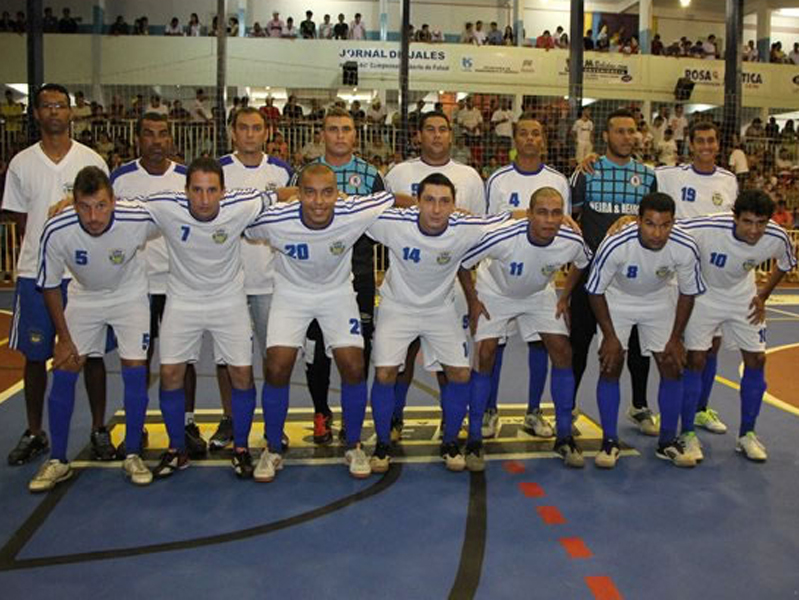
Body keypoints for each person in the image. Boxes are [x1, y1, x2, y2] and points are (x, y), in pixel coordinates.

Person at [245, 164, 400, 481]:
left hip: (337, 294)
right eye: (310, 192)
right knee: (276, 365)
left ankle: (354, 444)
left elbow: (393, 200)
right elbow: (243, 221)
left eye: (327, 192)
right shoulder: (276, 219)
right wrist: (277, 194)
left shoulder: (352, 210)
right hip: (291, 295)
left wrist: (450, 210)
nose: (319, 201)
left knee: (354, 365)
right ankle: (272, 447)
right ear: (298, 193)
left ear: (338, 194)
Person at [367, 174, 510, 472]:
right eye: (429, 200)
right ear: (418, 201)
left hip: (440, 309)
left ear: (454, 205)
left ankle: (449, 443)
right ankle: (381, 444)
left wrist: (562, 217)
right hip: (397, 307)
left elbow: (512, 220)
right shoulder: (395, 224)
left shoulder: (465, 228)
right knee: (384, 374)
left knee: (459, 374)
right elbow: (347, 212)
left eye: (444, 202)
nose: (436, 209)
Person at [3, 84, 112, 466]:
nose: (54, 112)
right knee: (36, 357)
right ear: (35, 113)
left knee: (92, 355)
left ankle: (99, 429)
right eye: (46, 106)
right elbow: (22, 220)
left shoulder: (91, 159)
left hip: (83, 273)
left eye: (60, 106)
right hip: (36, 272)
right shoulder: (22, 163)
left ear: (71, 113)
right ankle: (35, 432)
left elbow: (104, 213)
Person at [29, 168, 156, 491]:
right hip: (84, 297)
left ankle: (131, 453)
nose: (93, 216)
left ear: (114, 201)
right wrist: (64, 339)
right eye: (84, 207)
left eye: (100, 205)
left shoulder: (136, 217)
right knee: (66, 368)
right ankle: (58, 459)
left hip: (129, 295)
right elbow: (49, 285)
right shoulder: (58, 227)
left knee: (134, 369)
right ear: (73, 204)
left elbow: (180, 208)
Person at [143, 158, 267, 480]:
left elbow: (279, 194)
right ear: (185, 191)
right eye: (196, 190)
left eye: (212, 190)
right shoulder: (164, 206)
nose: (204, 198)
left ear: (223, 191)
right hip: (182, 300)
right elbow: (118, 207)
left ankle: (240, 448)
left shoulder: (242, 204)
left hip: (228, 300)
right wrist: (66, 203)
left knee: (241, 374)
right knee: (170, 373)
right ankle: (176, 450)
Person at [462, 187, 592, 468]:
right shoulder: (504, 237)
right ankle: (473, 440)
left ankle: (565, 435)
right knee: (485, 354)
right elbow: (463, 263)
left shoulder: (571, 240)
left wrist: (565, 297)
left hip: (538, 294)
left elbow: (582, 263)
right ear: (529, 214)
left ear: (563, 216)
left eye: (556, 213)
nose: (549, 219)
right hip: (495, 292)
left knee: (562, 351)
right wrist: (473, 301)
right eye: (542, 212)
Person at [385, 111, 486, 437]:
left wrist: (472, 296)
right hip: (407, 284)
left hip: (451, 287)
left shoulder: (469, 176)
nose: (437, 135)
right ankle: (394, 418)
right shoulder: (400, 172)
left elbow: (475, 235)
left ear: (451, 135)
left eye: (443, 129)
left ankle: (451, 423)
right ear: (418, 135)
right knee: (402, 358)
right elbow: (384, 212)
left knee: (450, 362)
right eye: (430, 129)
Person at [586, 193, 705, 468]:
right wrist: (611, 337)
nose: (657, 233)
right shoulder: (615, 243)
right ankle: (610, 441)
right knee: (610, 364)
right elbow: (594, 291)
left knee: (672, 365)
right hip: (616, 299)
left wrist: (676, 338)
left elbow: (688, 294)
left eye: (665, 225)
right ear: (638, 221)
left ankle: (666, 442)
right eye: (650, 224)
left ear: (673, 223)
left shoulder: (685, 247)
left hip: (658, 299)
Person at [290, 108, 385, 445]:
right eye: (333, 129)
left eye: (346, 129)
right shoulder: (305, 175)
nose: (340, 135)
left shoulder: (371, 175)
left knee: (356, 353)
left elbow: (381, 225)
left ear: (355, 134)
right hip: (312, 279)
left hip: (356, 278)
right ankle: (321, 413)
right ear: (322, 134)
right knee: (315, 349)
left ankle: (351, 418)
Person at [111, 113, 204, 457]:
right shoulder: (121, 179)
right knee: (140, 359)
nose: (156, 141)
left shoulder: (185, 177)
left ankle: (187, 424)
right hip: (138, 284)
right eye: (149, 134)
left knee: (184, 358)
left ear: (170, 139)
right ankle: (139, 424)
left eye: (162, 134)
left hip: (180, 282)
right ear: (138, 138)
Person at [679, 191, 797, 462]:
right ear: (734, 217)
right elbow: (668, 228)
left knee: (757, 359)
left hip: (743, 296)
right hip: (704, 295)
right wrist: (626, 220)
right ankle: (687, 433)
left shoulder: (776, 236)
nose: (754, 230)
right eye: (747, 222)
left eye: (761, 223)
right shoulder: (707, 227)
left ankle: (747, 434)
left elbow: (787, 261)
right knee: (696, 359)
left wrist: (763, 295)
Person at [570, 108, 659, 436]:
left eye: (631, 131)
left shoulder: (648, 176)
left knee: (637, 345)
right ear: (605, 136)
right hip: (591, 275)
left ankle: (639, 405)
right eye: (619, 131)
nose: (626, 137)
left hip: (633, 279)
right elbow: (572, 218)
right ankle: (569, 406)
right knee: (579, 343)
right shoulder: (586, 172)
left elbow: (655, 225)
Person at [482, 116, 572, 437]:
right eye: (524, 134)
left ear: (543, 140)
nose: (530, 139)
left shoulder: (558, 180)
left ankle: (533, 412)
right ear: (515, 140)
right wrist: (519, 216)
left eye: (536, 133)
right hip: (500, 279)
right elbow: (488, 227)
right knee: (495, 346)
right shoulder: (498, 180)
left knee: (543, 345)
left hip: (540, 282)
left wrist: (565, 288)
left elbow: (567, 228)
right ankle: (489, 410)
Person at [214, 108, 293, 449]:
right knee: (226, 358)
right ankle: (230, 420)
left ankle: (275, 423)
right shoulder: (218, 170)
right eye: (243, 128)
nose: (249, 134)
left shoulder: (282, 171)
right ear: (233, 132)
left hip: (269, 279)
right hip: (227, 282)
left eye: (256, 128)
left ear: (266, 132)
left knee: (273, 358)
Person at [654, 121, 739, 441]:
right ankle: (675, 410)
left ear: (718, 145)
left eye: (711, 140)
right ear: (689, 144)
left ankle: (701, 408)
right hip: (679, 276)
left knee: (711, 346)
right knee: (682, 349)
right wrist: (588, 163)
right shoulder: (668, 176)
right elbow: (631, 170)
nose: (706, 145)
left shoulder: (729, 181)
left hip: (715, 277)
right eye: (700, 140)